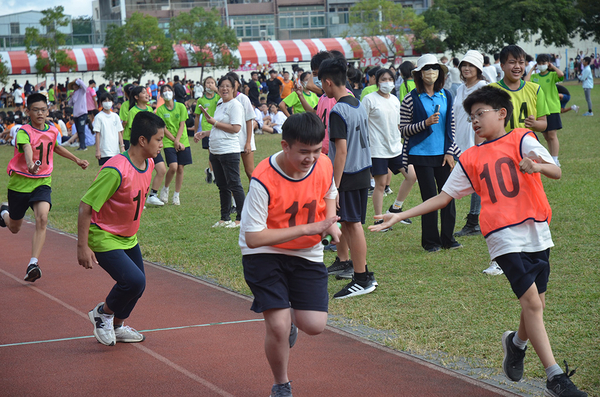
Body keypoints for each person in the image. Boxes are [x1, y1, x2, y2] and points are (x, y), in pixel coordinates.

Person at [370, 85, 587, 397]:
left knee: (537, 302)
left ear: (501, 113)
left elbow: (556, 171)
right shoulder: (470, 157)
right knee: (532, 303)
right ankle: (555, 377)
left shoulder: (522, 139)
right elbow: (444, 198)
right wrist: (399, 215)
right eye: (471, 116)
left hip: (537, 229)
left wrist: (536, 165)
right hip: (502, 234)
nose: (474, 121)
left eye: (480, 114)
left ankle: (517, 343)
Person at [239, 112, 341, 397]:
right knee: (278, 324)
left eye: (316, 150)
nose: (311, 158)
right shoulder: (263, 178)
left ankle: (292, 323)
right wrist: (309, 227)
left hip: (306, 252)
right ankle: (281, 384)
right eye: (303, 152)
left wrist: (331, 223)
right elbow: (254, 237)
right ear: (285, 146)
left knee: (314, 325)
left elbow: (330, 192)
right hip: (264, 252)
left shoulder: (323, 164)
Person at [78, 111, 165, 347]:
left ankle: (117, 326)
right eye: (159, 139)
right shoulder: (115, 169)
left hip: (128, 237)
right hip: (104, 235)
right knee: (134, 282)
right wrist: (83, 246)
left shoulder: (147, 164)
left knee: (139, 285)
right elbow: (85, 206)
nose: (161, 145)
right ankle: (102, 314)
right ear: (143, 140)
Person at [1, 93, 89, 282]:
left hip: (42, 182)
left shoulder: (52, 130)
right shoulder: (24, 131)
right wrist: (31, 164)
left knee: (42, 218)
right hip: (20, 184)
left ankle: (33, 263)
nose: (40, 113)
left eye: (43, 110)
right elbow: (26, 149)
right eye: (36, 110)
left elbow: (55, 147)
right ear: (27, 111)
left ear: (48, 111)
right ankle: (4, 213)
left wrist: (77, 159)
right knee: (15, 227)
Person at [319, 57, 376, 299]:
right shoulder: (357, 103)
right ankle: (351, 267)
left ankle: (362, 277)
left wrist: (335, 186)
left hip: (349, 175)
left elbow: (340, 152)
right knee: (350, 224)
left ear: (328, 82)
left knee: (353, 226)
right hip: (363, 171)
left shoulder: (338, 110)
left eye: (321, 82)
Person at [399, 53, 462, 253]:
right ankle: (430, 242)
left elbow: (451, 127)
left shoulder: (446, 95)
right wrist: (424, 124)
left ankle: (448, 238)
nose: (431, 73)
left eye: (435, 68)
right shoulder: (410, 98)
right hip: (421, 154)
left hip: (443, 154)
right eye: (427, 69)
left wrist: (450, 151)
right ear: (419, 73)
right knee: (429, 198)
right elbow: (403, 129)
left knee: (448, 195)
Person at [362, 68, 416, 230]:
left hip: (396, 147)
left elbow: (399, 124)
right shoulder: (369, 99)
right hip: (377, 148)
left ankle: (395, 208)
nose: (387, 82)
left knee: (411, 176)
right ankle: (379, 219)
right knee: (380, 184)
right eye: (383, 79)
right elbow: (362, 124)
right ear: (377, 81)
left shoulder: (394, 99)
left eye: (390, 79)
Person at [194, 75, 245, 228]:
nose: (224, 89)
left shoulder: (235, 105)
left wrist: (214, 122)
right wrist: (205, 133)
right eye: (221, 85)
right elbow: (218, 127)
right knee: (222, 185)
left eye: (227, 86)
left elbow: (236, 128)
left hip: (229, 150)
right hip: (215, 150)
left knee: (234, 184)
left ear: (234, 88)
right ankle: (225, 217)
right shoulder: (220, 104)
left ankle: (241, 219)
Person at [452, 51, 488, 245]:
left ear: (478, 69)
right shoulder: (460, 88)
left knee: (476, 181)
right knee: (472, 180)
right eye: (464, 65)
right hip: (459, 141)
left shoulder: (483, 87)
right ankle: (475, 219)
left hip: (474, 139)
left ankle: (474, 220)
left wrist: (479, 142)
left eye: (471, 66)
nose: (466, 69)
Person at [490, 45, 549, 134]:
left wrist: (534, 123)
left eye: (521, 62)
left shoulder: (535, 89)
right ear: (502, 66)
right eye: (512, 62)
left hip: (526, 145)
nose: (517, 66)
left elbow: (543, 124)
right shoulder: (491, 90)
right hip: (501, 145)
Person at [127, 86, 167, 207]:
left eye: (147, 92)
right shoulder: (133, 111)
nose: (147, 94)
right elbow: (133, 131)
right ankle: (138, 198)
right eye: (143, 92)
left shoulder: (150, 109)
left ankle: (152, 195)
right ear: (136, 97)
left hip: (152, 146)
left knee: (161, 169)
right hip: (141, 147)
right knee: (139, 172)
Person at [526, 54, 565, 166]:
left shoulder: (552, 75)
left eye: (544, 63)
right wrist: (532, 69)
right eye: (540, 63)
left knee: (552, 135)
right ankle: (551, 158)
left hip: (552, 108)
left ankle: (555, 159)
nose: (542, 65)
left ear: (548, 63)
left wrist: (553, 67)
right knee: (546, 136)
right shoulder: (535, 77)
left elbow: (561, 75)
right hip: (540, 109)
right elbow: (526, 81)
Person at [155, 84, 191, 205]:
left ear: (173, 93)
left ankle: (176, 195)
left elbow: (182, 124)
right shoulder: (160, 110)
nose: (167, 93)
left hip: (183, 140)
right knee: (173, 166)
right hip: (168, 141)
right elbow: (163, 128)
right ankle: (165, 188)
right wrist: (174, 141)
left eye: (168, 90)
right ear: (161, 95)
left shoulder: (181, 106)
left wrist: (178, 140)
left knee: (180, 168)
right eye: (164, 91)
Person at [227, 72, 257, 182]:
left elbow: (249, 121)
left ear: (238, 84)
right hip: (231, 141)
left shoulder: (243, 99)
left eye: (232, 82)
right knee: (234, 174)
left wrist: (248, 142)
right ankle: (236, 199)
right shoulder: (224, 100)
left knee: (250, 171)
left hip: (244, 139)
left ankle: (255, 195)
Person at [93, 93, 124, 166]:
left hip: (115, 150)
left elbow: (119, 132)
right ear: (101, 103)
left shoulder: (115, 116)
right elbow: (97, 134)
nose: (107, 102)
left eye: (109, 100)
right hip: (104, 151)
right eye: (105, 101)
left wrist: (122, 147)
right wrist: (98, 151)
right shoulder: (99, 117)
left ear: (112, 102)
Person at [69, 79, 91, 151]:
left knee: (81, 130)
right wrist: (71, 97)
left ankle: (83, 146)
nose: (74, 86)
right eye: (73, 85)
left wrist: (78, 80)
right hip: (76, 115)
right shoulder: (74, 93)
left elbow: (85, 87)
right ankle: (81, 145)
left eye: (76, 85)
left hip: (82, 113)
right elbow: (70, 104)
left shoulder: (82, 91)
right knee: (78, 131)